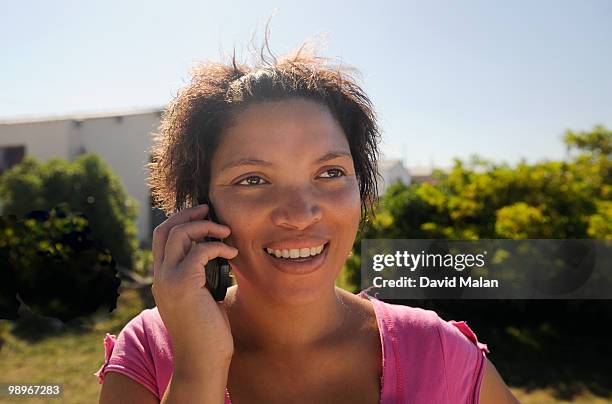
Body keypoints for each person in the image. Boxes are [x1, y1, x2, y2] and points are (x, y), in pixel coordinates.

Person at [95, 38, 519, 403]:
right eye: (253, 179)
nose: (300, 214)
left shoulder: (438, 352)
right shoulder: (151, 351)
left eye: (330, 173)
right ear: (200, 208)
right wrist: (197, 367)